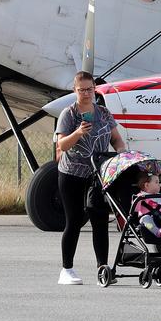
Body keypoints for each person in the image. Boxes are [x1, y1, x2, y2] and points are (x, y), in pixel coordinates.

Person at [54, 71, 126, 285]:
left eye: (89, 89)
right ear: (75, 91)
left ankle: (103, 269)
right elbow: (62, 145)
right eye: (81, 90)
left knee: (100, 219)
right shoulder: (68, 114)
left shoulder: (103, 112)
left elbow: (116, 139)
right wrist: (77, 133)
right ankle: (67, 269)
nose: (86, 94)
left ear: (94, 89)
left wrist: (121, 153)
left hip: (97, 174)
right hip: (72, 174)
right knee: (74, 220)